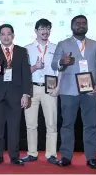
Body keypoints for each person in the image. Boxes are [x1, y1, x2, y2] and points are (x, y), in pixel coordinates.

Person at [51, 15, 96, 169]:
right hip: (68, 91)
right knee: (67, 125)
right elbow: (54, 64)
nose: (81, 25)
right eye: (77, 23)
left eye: (84, 23)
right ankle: (66, 156)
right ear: (72, 26)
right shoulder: (63, 44)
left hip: (91, 92)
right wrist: (62, 62)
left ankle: (91, 158)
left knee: (91, 126)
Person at [0, 24, 31, 166]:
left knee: (14, 127)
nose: (6, 37)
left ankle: (14, 156)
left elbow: (26, 74)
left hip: (16, 94)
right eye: (3, 34)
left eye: (9, 34)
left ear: (13, 35)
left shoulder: (22, 51)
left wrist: (26, 94)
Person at [22, 19, 58, 164]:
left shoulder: (56, 48)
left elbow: (60, 70)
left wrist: (59, 87)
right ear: (36, 31)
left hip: (50, 88)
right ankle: (32, 153)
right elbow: (24, 73)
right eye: (42, 28)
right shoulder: (27, 49)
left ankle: (51, 154)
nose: (45, 31)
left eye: (48, 28)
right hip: (32, 88)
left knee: (51, 123)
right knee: (31, 123)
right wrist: (35, 67)